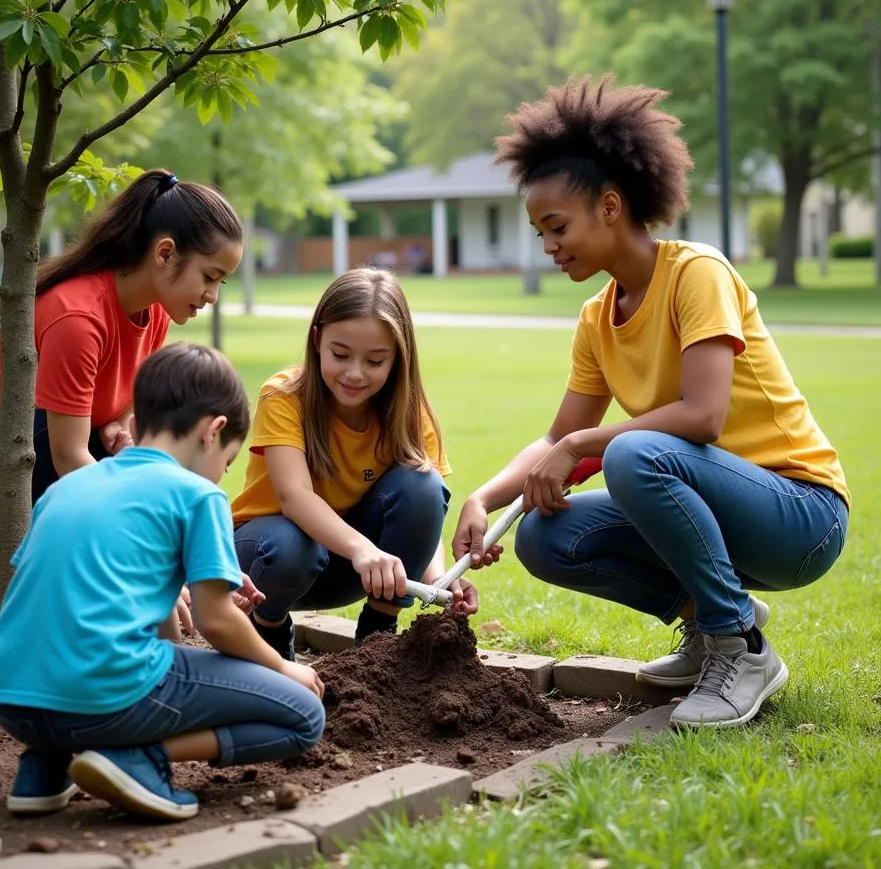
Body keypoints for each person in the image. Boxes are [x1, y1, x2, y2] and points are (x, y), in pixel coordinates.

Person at [454, 76, 849, 729]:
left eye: (557, 226)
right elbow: (561, 436)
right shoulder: (596, 317)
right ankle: (712, 623)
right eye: (539, 231)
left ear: (610, 206)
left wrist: (583, 447)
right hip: (718, 509)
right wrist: (485, 497)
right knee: (548, 535)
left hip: (800, 515)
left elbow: (703, 416)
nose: (548, 245)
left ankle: (740, 648)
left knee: (634, 452)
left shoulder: (698, 273)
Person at [0, 343, 325, 821]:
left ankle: (41, 770)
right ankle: (137, 756)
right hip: (103, 696)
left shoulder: (66, 488)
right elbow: (216, 620)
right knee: (305, 714)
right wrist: (283, 668)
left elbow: (58, 589)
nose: (221, 478)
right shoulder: (198, 494)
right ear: (214, 431)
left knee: (98, 673)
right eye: (227, 465)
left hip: (13, 696)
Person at [0, 168, 244, 515]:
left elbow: (126, 397)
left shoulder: (156, 311)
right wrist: (149, 518)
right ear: (164, 254)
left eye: (222, 283)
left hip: (59, 437)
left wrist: (118, 424)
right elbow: (69, 456)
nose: (213, 296)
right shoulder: (78, 317)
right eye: (210, 277)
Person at [231, 267, 476, 660]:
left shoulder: (409, 416)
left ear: (398, 357)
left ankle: (374, 648)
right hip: (265, 561)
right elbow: (294, 498)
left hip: (350, 567)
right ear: (317, 340)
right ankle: (269, 630)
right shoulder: (284, 396)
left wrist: (439, 583)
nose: (355, 374)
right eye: (340, 354)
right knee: (290, 547)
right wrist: (363, 549)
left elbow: (422, 512)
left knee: (422, 484)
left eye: (375, 361)